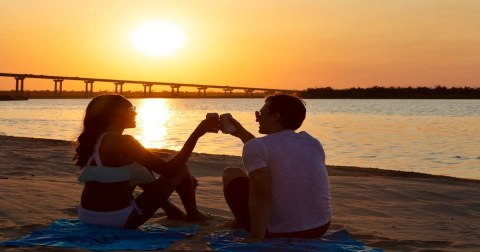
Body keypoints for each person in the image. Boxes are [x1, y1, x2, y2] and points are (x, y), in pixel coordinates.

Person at [74, 94, 219, 228]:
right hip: (118, 219)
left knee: (140, 167)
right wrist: (197, 133)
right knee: (181, 170)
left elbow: (149, 172)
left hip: (87, 216)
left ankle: (172, 211)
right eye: (131, 109)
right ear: (113, 116)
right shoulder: (123, 142)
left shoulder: (97, 140)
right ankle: (193, 214)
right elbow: (170, 170)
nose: (135, 112)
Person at [223, 94, 332, 242]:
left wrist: (256, 237)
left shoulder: (256, 146)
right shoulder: (312, 142)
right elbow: (276, 154)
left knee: (232, 173)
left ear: (275, 117)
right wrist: (241, 133)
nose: (257, 118)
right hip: (319, 227)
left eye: (260, 114)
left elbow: (262, 192)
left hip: (280, 231)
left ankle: (245, 224)